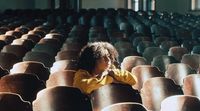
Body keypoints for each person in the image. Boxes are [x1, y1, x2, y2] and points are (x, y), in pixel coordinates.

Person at [73, 42, 137, 94]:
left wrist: (112, 74)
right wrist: (111, 80)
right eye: (103, 57)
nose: (108, 60)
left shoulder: (113, 72)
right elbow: (85, 88)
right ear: (93, 59)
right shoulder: (81, 73)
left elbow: (134, 80)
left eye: (109, 56)